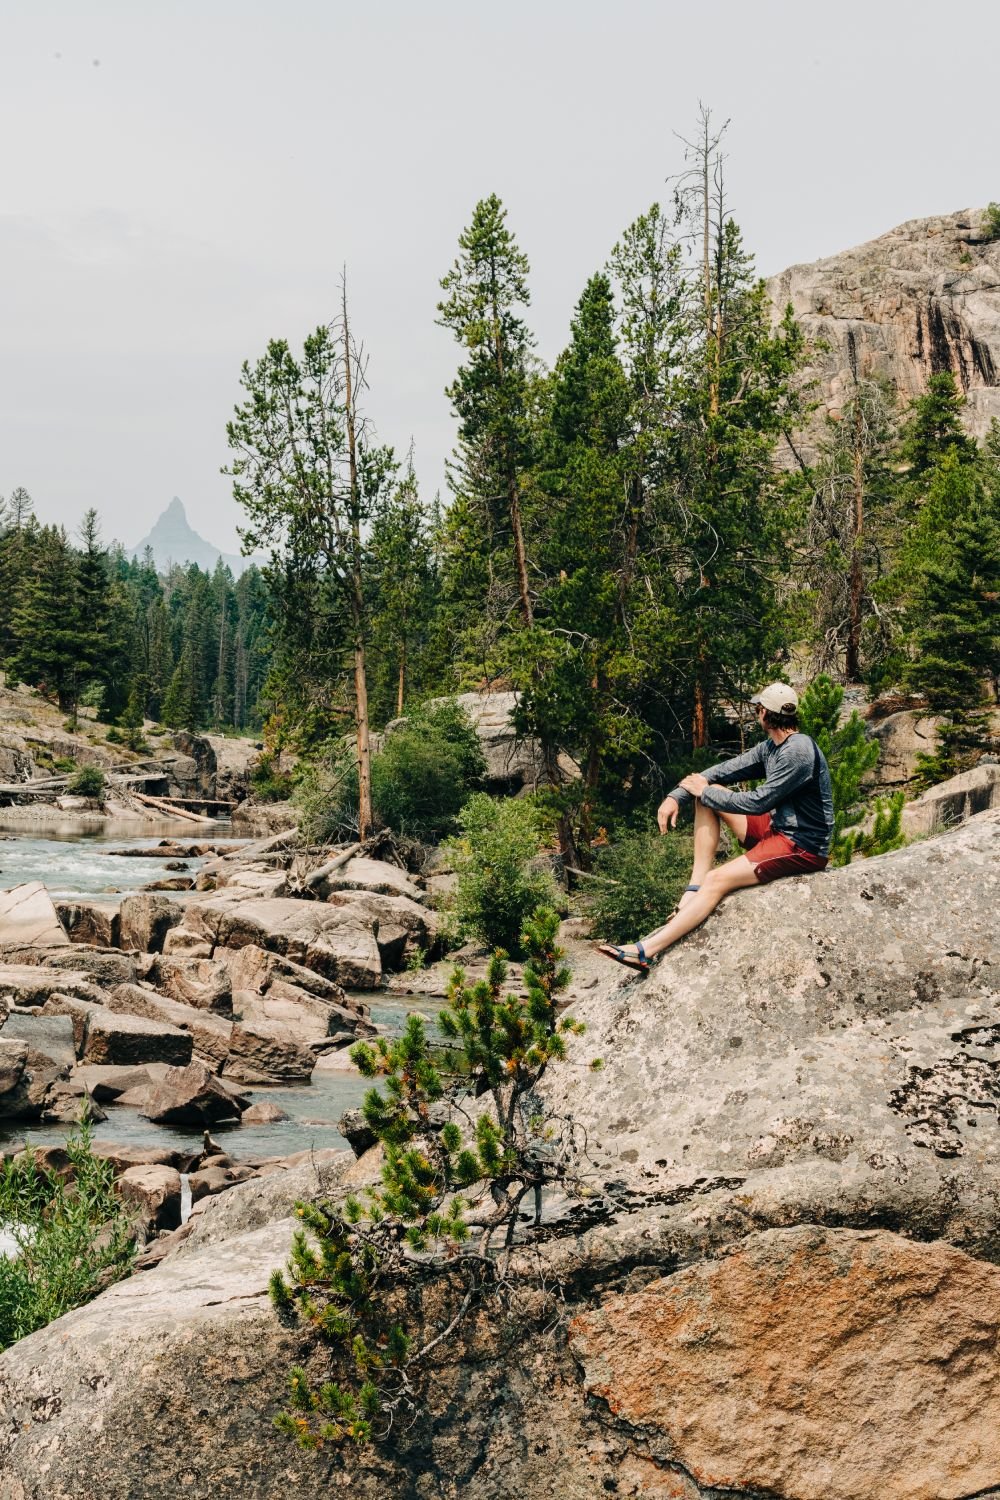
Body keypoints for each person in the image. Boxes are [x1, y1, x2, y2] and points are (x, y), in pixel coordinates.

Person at [597, 682, 835, 973]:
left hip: (802, 846)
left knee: (718, 879)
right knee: (706, 796)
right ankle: (694, 888)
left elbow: (759, 801)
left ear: (763, 713)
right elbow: (721, 772)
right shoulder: (772, 746)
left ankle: (645, 952)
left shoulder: (798, 751)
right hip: (778, 830)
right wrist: (677, 795)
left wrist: (705, 791)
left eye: (757, 708)